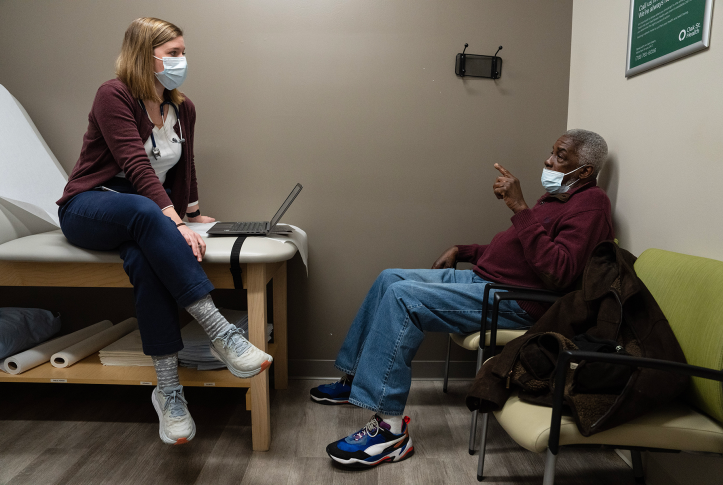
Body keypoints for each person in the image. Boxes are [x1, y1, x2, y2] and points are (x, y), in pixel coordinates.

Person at [311, 129, 614, 468]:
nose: (549, 160)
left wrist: (519, 207)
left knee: (402, 297)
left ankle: (390, 432)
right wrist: (464, 250)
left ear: (585, 171)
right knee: (390, 277)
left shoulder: (591, 206)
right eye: (552, 152)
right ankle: (357, 381)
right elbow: (516, 251)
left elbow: (560, 271)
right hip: (485, 280)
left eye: (561, 156)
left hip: (517, 301)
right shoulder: (555, 199)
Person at [56, 18, 272, 445]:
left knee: (144, 259)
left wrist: (191, 211)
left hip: (145, 212)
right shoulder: (113, 95)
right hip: (89, 205)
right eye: (172, 53)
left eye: (182, 52)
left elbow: (184, 167)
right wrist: (173, 222)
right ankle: (222, 334)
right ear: (143, 54)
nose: (181, 60)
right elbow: (135, 166)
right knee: (141, 210)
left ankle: (169, 392)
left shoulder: (181, 107)